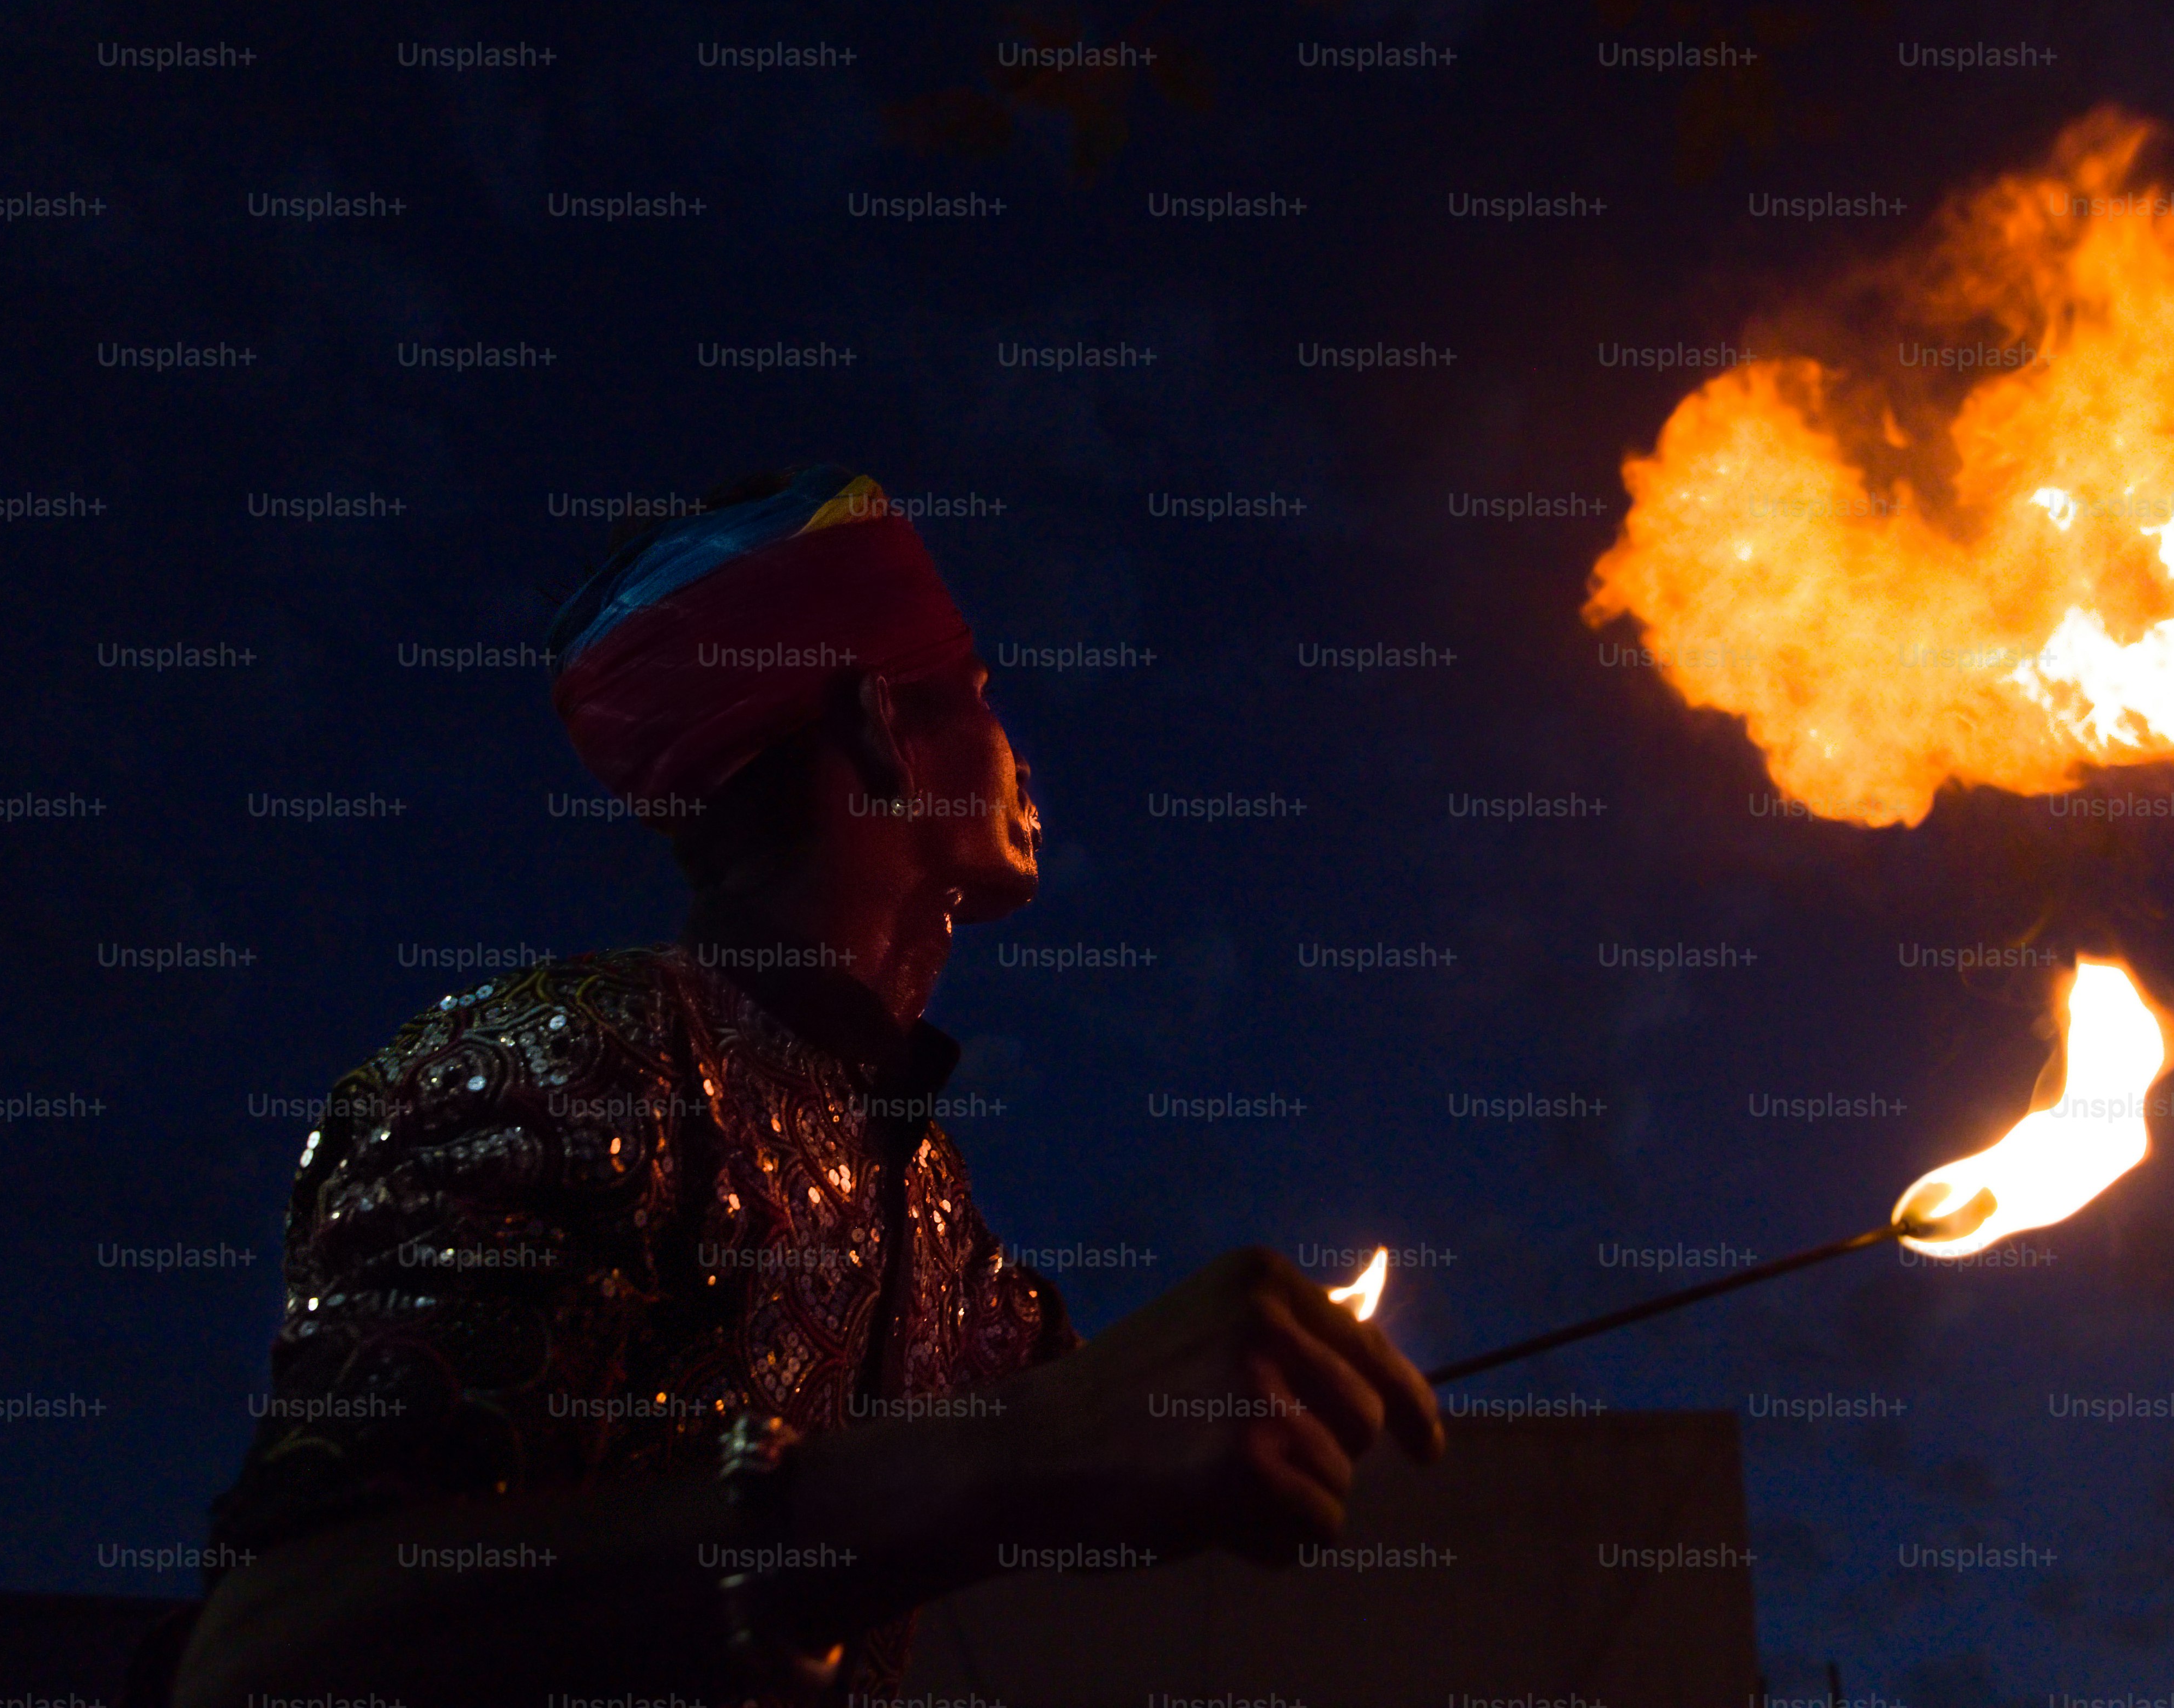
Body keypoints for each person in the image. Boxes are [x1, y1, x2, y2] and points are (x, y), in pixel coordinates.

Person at [146, 465, 1441, 1706]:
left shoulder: (930, 1209)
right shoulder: (551, 1070)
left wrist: (1243, 1396)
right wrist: (1027, 1451)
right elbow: (265, 1654)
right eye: (979, 693)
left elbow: (1100, 1422)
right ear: (882, 722)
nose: (1022, 754)